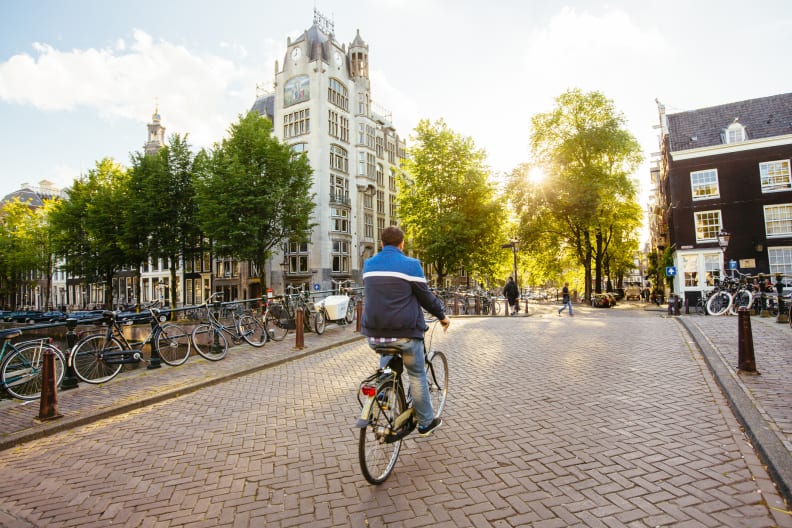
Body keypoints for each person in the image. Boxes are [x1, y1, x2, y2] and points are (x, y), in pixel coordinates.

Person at [361, 226, 450, 437]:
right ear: (402, 244)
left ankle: (383, 394)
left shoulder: (368, 265)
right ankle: (426, 422)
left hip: (373, 334)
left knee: (387, 351)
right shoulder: (411, 265)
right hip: (405, 333)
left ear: (381, 244)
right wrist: (442, 316)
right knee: (417, 374)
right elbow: (425, 297)